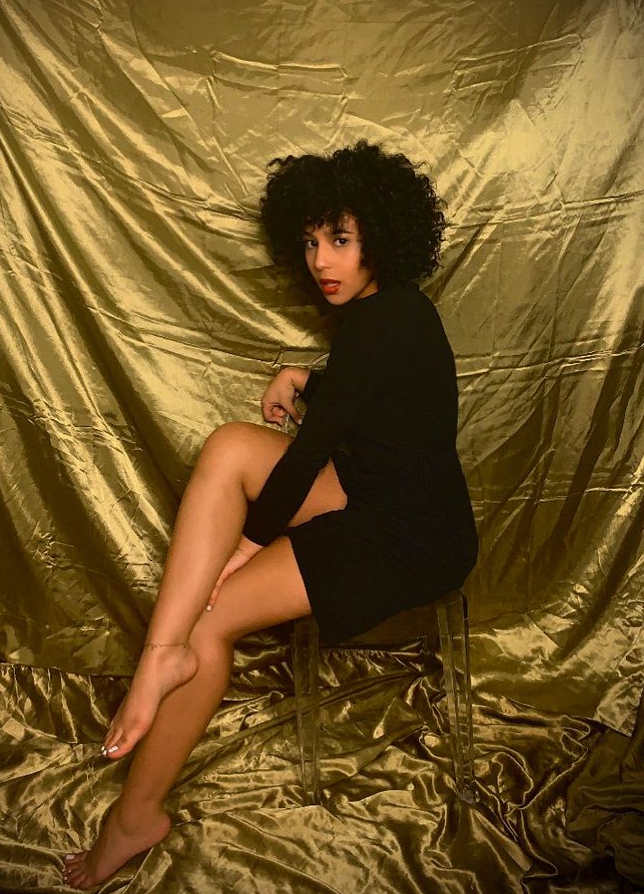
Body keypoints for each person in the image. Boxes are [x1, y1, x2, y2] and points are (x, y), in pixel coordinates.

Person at [61, 140, 478, 889]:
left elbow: (311, 445)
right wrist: (305, 376)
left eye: (340, 241)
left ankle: (135, 814)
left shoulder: (386, 322)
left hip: (410, 537)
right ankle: (163, 651)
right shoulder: (387, 316)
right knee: (227, 447)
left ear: (380, 236)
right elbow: (367, 400)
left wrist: (250, 546)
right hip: (375, 493)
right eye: (312, 242)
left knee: (211, 613)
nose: (323, 260)